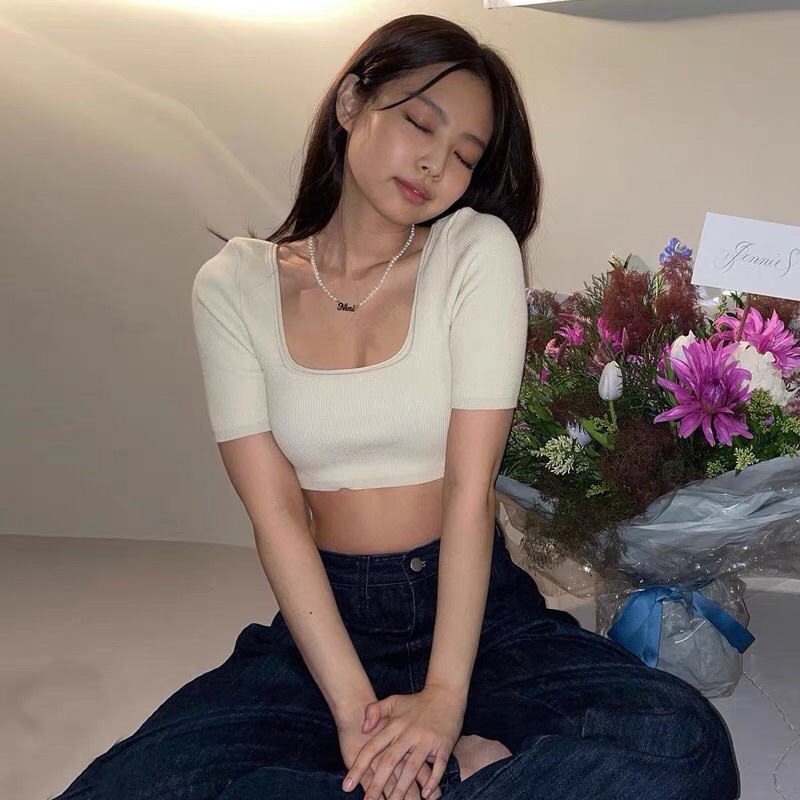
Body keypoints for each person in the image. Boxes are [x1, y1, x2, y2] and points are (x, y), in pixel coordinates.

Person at [53, 13, 739, 800]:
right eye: (419, 121)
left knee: (683, 749)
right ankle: (462, 777)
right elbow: (277, 515)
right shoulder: (233, 286)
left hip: (475, 613)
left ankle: (428, 769)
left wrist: (444, 700)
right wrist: (355, 714)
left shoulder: (473, 252)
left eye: (465, 155)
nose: (435, 164)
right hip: (325, 626)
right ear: (352, 102)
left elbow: (468, 491)